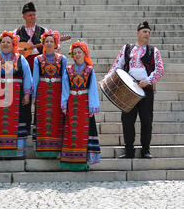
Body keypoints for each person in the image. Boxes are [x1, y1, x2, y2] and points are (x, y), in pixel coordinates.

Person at [104, 21, 164, 159]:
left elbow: (160, 70)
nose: (147, 34)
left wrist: (148, 81)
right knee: (127, 120)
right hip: (129, 89)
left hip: (146, 90)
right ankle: (129, 151)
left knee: (147, 120)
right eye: (144, 32)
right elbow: (117, 65)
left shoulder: (154, 51)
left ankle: (146, 150)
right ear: (137, 33)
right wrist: (108, 79)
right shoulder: (127, 49)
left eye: (149, 32)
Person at [0, 31, 32, 158]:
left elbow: (27, 76)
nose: (5, 44)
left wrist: (27, 94)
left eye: (8, 42)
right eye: (3, 42)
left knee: (16, 122)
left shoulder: (21, 59)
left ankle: (16, 151)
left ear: (13, 44)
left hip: (16, 97)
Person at [61, 41, 101, 170]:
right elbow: (65, 88)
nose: (77, 55)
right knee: (72, 131)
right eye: (75, 53)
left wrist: (93, 106)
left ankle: (84, 162)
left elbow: (93, 88)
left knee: (84, 131)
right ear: (72, 55)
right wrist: (64, 103)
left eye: (80, 52)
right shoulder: (68, 70)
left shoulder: (90, 70)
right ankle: (71, 161)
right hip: (72, 103)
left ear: (85, 54)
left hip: (84, 103)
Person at [32, 30, 68, 158]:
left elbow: (65, 78)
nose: (48, 43)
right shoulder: (38, 59)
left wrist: (65, 96)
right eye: (46, 41)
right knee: (43, 119)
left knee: (56, 119)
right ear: (42, 44)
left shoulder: (62, 59)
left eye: (51, 41)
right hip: (43, 91)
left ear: (55, 43)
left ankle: (57, 149)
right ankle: (42, 149)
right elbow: (35, 78)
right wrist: (34, 96)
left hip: (57, 91)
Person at [13, 2, 48, 70]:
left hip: (39, 61)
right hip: (23, 61)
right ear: (24, 17)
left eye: (34, 15)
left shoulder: (44, 31)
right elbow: (12, 48)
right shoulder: (16, 32)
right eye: (30, 15)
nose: (33, 17)